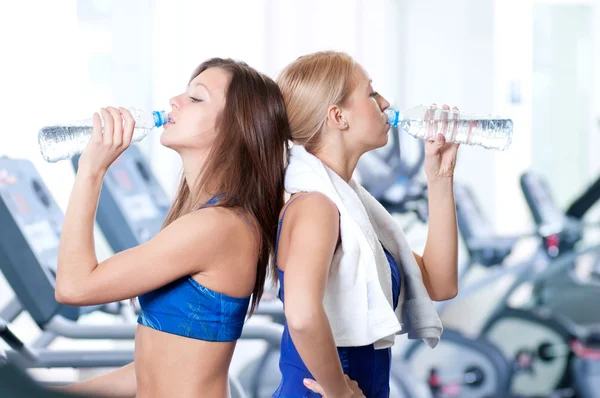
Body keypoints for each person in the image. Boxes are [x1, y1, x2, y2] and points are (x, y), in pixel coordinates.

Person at [53, 58, 290, 398]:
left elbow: (73, 287)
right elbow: (155, 370)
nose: (174, 102)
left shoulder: (216, 226)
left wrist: (91, 170)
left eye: (196, 98)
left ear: (235, 128)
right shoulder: (209, 217)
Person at [272, 51, 460, 397]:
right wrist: (339, 391)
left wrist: (440, 178)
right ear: (338, 116)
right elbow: (301, 315)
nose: (385, 102)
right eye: (371, 93)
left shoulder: (352, 209)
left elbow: (440, 283)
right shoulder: (316, 205)